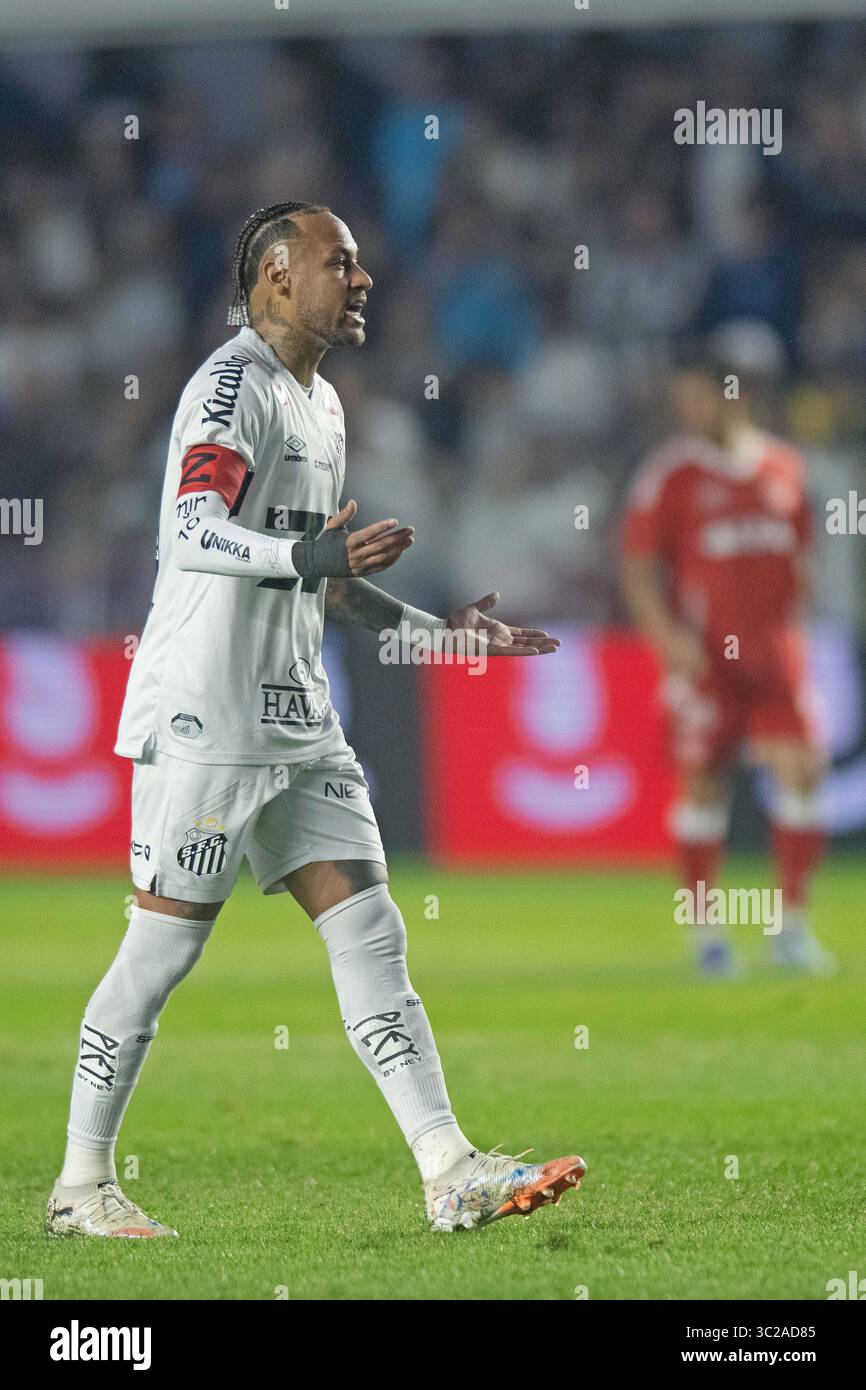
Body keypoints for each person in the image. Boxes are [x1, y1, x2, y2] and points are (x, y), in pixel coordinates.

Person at [47, 202, 585, 1238]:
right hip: (207, 712)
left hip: (298, 716)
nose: (363, 278)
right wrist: (308, 558)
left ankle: (448, 1168)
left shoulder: (324, 404)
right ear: (276, 277)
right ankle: (81, 1185)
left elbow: (322, 574)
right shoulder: (228, 386)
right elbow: (195, 530)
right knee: (158, 956)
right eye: (341, 262)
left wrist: (440, 633)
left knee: (372, 929)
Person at [621, 366, 833, 976]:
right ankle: (707, 934)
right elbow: (637, 565)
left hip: (776, 654)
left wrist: (802, 628)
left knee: (803, 773)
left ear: (734, 395)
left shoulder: (786, 467)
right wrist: (667, 639)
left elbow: (803, 557)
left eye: (698, 394)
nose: (688, 406)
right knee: (703, 784)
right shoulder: (672, 472)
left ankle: (791, 928)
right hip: (707, 657)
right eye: (682, 394)